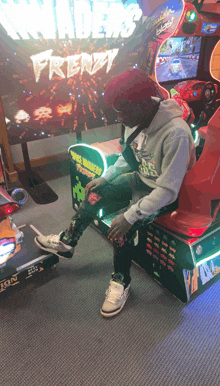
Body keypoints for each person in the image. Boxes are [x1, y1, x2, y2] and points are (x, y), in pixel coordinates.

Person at [35, 69, 196, 317]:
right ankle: (68, 242)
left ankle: (121, 281)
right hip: (142, 179)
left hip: (168, 194)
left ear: (143, 104)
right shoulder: (138, 119)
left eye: (123, 110)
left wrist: (130, 215)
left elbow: (168, 190)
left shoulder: (176, 133)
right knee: (93, 194)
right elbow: (128, 156)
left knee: (122, 229)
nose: (119, 117)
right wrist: (105, 177)